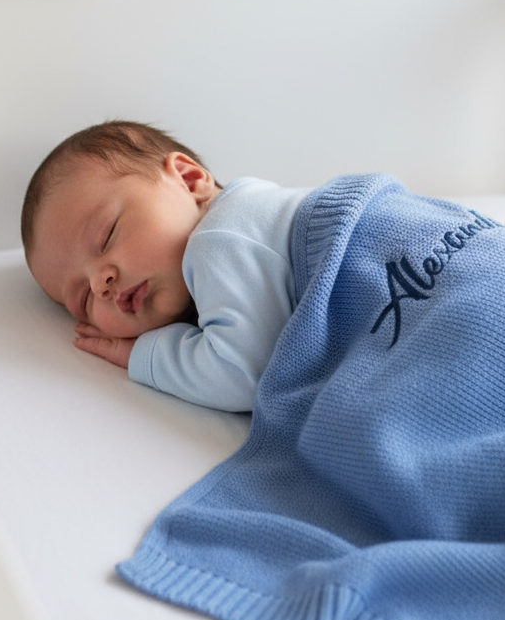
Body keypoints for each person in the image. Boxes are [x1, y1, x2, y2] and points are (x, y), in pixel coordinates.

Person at [21, 120, 308, 411]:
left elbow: (240, 374)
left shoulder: (220, 236)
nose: (99, 283)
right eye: (85, 299)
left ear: (188, 179)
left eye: (106, 236)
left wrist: (144, 355)